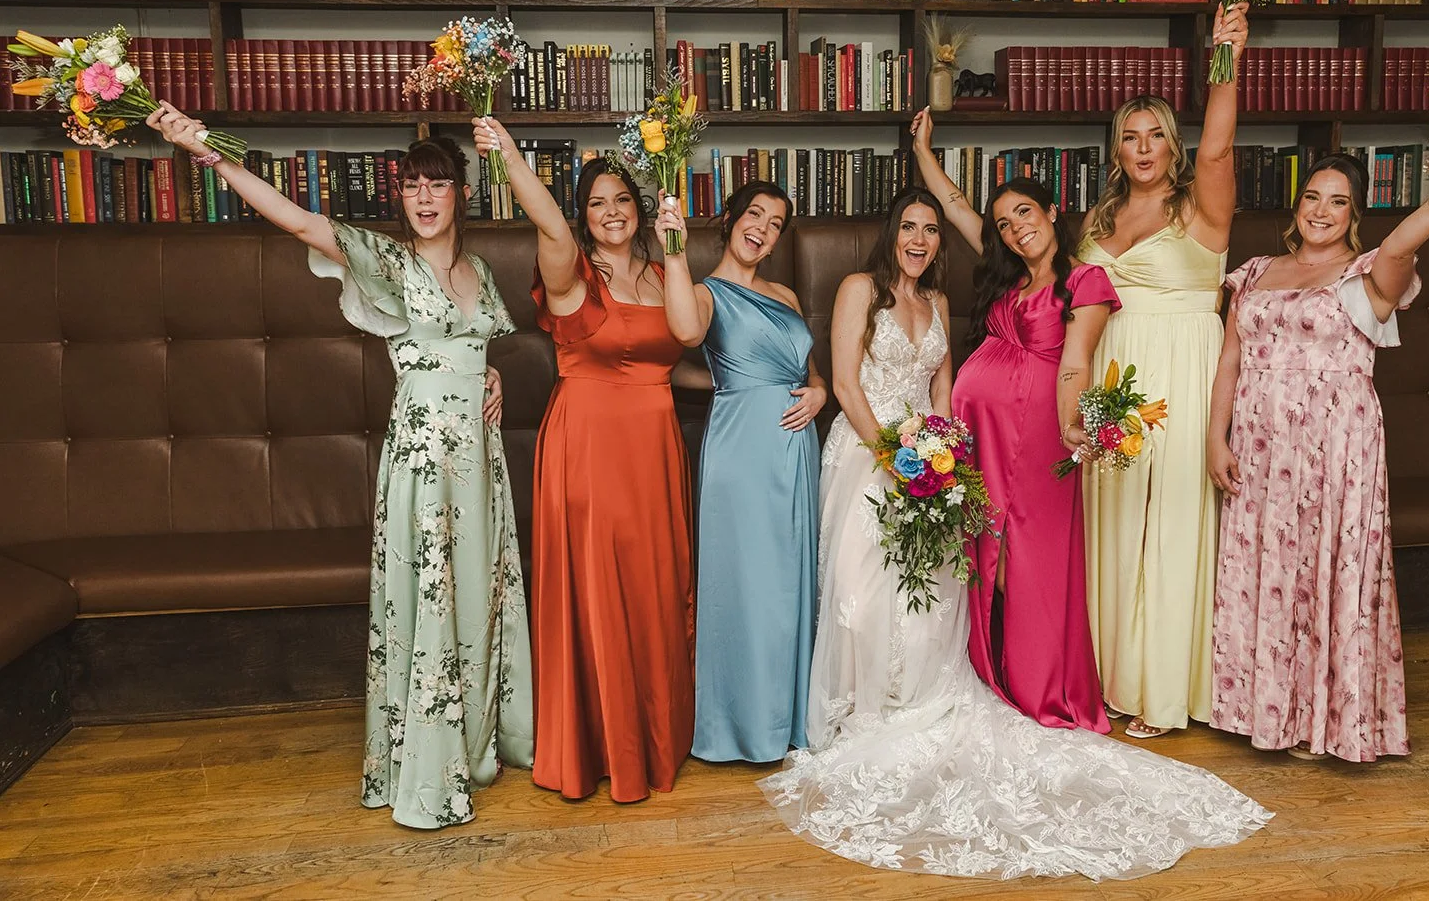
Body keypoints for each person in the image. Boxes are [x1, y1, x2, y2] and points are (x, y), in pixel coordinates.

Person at [760, 189, 1271, 881]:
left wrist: (942, 451)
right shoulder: (861, 288)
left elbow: (1029, 372)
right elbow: (847, 381)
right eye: (909, 227)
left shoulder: (949, 300)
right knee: (862, 587)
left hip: (947, 455)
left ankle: (940, 693)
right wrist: (898, 455)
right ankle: (864, 708)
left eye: (932, 230)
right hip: (875, 454)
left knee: (941, 589)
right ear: (892, 233)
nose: (920, 238)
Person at [146, 102, 531, 829]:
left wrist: (488, 375)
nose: (423, 198)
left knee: (483, 592)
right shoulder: (387, 261)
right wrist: (210, 154)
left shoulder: (479, 269)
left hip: (480, 464)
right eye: (412, 186)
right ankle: (428, 763)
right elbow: (297, 221)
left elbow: (474, 346)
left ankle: (480, 744)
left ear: (461, 194)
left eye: (437, 184)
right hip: (422, 464)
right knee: (433, 599)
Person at [1208, 151, 1429, 762]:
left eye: (1338, 201)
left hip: (1336, 444)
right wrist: (1216, 435)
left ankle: (1324, 720)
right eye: (1314, 196)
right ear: (1298, 203)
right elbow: (1230, 360)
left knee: (1327, 567)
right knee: (1269, 569)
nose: (1322, 211)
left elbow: (1397, 249)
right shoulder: (1254, 273)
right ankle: (1264, 712)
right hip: (1260, 446)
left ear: (1354, 214)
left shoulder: (1368, 273)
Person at [475, 118, 694, 802]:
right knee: (598, 591)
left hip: (655, 449)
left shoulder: (663, 274)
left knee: (653, 590)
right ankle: (600, 747)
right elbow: (547, 226)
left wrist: (678, 242)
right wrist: (511, 156)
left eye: (622, 200)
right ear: (582, 215)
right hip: (590, 447)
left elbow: (690, 335)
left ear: (640, 208)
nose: (611, 213)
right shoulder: (571, 274)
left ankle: (653, 740)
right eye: (597, 202)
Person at [1077, 3, 1252, 739]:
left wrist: (1227, 58)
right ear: (1114, 148)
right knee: (1116, 524)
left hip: (1183, 373)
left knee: (1174, 523)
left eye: (1156, 135)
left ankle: (1165, 688)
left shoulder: (1200, 205)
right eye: (1130, 135)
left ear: (1171, 144)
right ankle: (1115, 678)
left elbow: (1217, 149)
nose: (1143, 147)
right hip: (1115, 380)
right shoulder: (1096, 218)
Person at [911, 116, 1118, 732]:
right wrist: (922, 150)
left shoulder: (1085, 281)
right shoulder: (1009, 275)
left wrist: (1069, 430)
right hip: (984, 441)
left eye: (1025, 213)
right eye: (1003, 223)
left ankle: (1041, 685)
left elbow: (1074, 363)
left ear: (1053, 211)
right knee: (987, 551)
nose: (1015, 229)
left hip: (1039, 441)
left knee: (1035, 560)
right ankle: (994, 666)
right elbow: (951, 205)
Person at [654, 181, 825, 763]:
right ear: (729, 219)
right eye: (755, 214)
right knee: (748, 587)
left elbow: (809, 369)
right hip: (741, 452)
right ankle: (741, 726)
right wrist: (674, 253)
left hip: (797, 447)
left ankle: (789, 716)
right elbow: (684, 336)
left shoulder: (786, 295)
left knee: (790, 583)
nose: (763, 229)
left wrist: (821, 392)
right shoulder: (704, 293)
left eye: (776, 223)